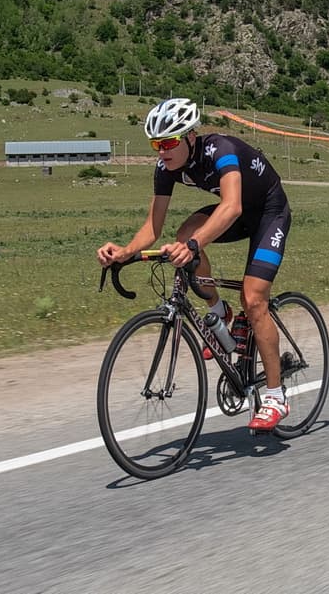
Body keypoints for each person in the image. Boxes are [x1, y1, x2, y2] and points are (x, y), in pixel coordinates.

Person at [96, 97, 295, 432]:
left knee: (255, 298)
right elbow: (153, 228)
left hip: (269, 212)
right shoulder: (165, 168)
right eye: (156, 144)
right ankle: (219, 310)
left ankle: (275, 397)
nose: (162, 151)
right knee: (182, 232)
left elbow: (230, 207)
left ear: (190, 137)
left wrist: (193, 246)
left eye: (170, 142)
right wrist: (126, 251)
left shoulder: (221, 150)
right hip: (239, 214)